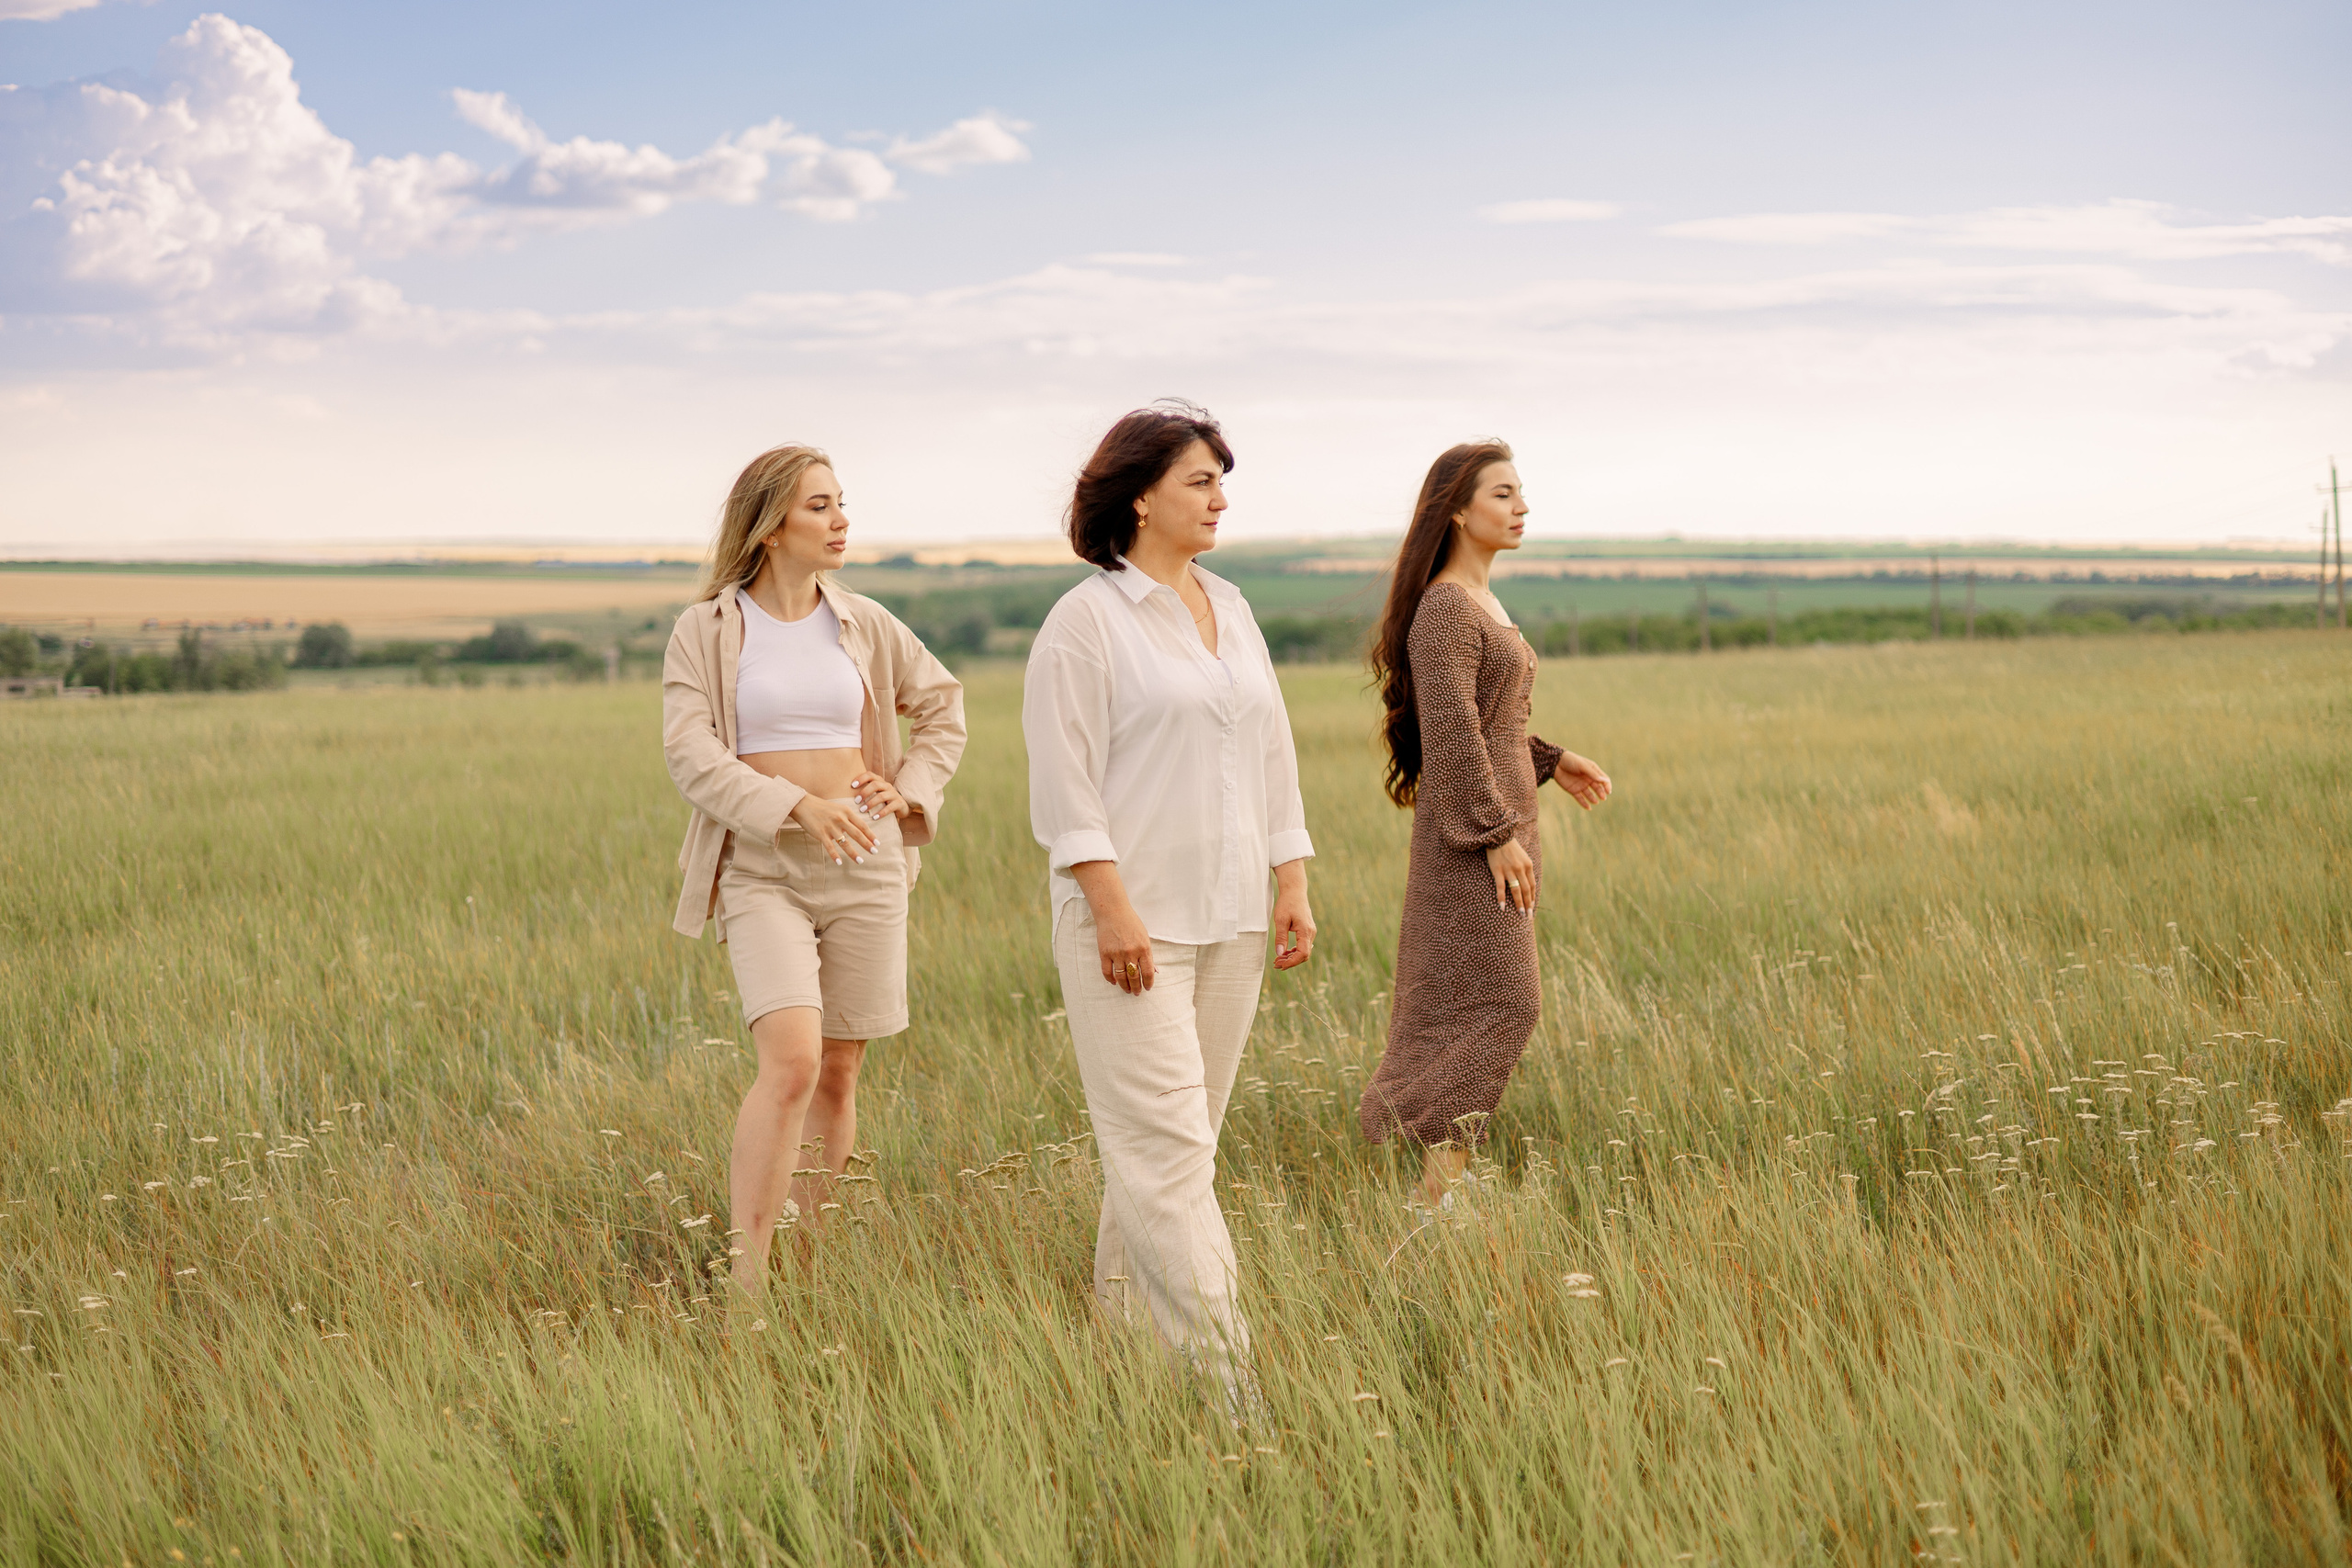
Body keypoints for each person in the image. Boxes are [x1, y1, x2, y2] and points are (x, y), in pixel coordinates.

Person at [1023, 400, 1316, 1404]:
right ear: (1140, 496)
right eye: (1200, 480)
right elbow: (1065, 787)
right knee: (1169, 1160)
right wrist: (1108, 907)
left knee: (1163, 1160)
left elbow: (1269, 748)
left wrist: (1291, 878)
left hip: (1232, 918)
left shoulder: (1228, 606)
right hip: (1130, 929)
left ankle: (1117, 1364)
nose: (1219, 499)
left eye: (1221, 481)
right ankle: (1236, 1396)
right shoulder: (1085, 623)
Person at [662, 444, 966, 1295]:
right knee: (790, 1060)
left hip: (866, 865)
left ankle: (808, 1263)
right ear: (769, 526)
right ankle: (748, 1281)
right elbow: (691, 755)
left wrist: (906, 791)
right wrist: (797, 807)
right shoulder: (707, 630)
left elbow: (944, 709)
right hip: (763, 869)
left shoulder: (863, 622)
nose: (840, 521)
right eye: (819, 507)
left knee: (838, 1070)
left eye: (841, 503)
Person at [1359, 441, 1612, 1209]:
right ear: (1459, 510)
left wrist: (1551, 757)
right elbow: (1452, 729)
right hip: (1472, 842)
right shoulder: (1445, 607)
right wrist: (1494, 833)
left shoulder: (1480, 602)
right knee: (1507, 1002)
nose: (1521, 507)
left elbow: (1492, 721)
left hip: (1499, 830)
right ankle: (1430, 1197)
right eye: (1503, 494)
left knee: (1480, 1003)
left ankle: (1437, 1191)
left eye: (1521, 493)